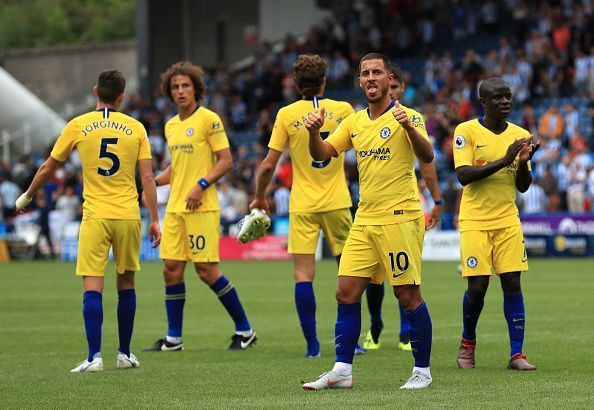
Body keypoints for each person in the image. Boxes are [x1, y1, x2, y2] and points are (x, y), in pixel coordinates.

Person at [302, 53, 435, 390]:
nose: (371, 78)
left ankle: (422, 371)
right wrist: (313, 134)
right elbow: (322, 154)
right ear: (360, 82)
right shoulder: (354, 122)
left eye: (377, 72)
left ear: (390, 79)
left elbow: (428, 155)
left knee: (408, 295)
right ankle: (342, 371)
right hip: (364, 219)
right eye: (365, 73)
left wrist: (406, 125)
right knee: (345, 292)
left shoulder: (410, 116)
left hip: (400, 218)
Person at [15, 70, 162, 372]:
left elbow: (48, 167)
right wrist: (155, 220)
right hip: (127, 215)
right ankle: (124, 353)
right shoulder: (136, 128)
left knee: (92, 286)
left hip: (95, 215)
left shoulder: (78, 125)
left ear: (95, 90)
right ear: (122, 96)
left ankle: (94, 357)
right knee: (127, 283)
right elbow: (147, 176)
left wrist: (28, 195)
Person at [250, 54, 361, 358]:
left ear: (296, 84)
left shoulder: (286, 114)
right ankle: (353, 339)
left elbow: (268, 164)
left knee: (303, 274)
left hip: (302, 204)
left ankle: (313, 346)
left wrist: (260, 196)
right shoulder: (344, 110)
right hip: (338, 200)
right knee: (350, 270)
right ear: (325, 80)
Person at [144, 61, 256, 352]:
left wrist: (201, 186)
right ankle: (173, 339)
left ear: (196, 89)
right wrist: (153, 183)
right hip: (176, 208)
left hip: (202, 206)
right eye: (175, 87)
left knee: (207, 271)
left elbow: (226, 160)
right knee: (171, 269)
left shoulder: (209, 119)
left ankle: (245, 330)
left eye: (185, 86)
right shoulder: (170, 126)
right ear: (169, 93)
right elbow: (177, 168)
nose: (180, 91)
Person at [453, 77, 539, 371]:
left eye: (508, 97)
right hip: (475, 220)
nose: (505, 102)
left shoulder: (520, 135)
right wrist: (505, 160)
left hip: (507, 219)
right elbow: (463, 175)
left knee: (512, 283)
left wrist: (524, 162)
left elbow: (524, 187)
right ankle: (467, 344)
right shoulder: (466, 131)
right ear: (483, 102)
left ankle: (517, 354)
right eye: (498, 97)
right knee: (477, 287)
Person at [363, 64, 443, 352]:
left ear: (398, 86)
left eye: (395, 89)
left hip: (405, 206)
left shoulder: (410, 120)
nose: (392, 93)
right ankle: (375, 325)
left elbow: (427, 164)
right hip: (372, 209)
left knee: (404, 277)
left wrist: (436, 199)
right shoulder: (366, 121)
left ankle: (406, 332)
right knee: (374, 280)